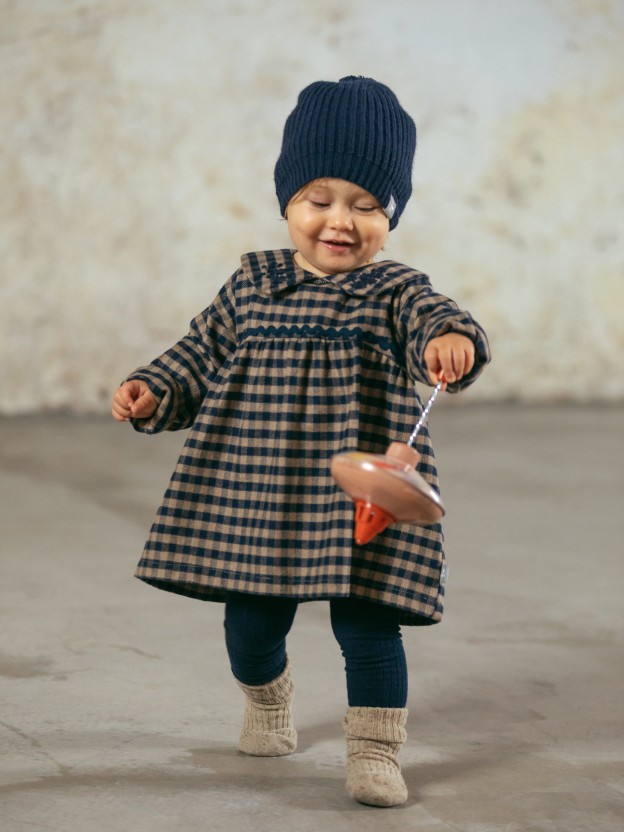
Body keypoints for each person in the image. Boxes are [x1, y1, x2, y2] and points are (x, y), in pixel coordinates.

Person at [112, 76, 490, 807]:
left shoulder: (395, 291)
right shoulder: (252, 283)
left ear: (392, 214)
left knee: (370, 624)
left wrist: (449, 339)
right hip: (259, 488)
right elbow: (199, 352)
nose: (340, 221)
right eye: (318, 199)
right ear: (286, 199)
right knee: (250, 624)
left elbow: (436, 318)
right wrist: (155, 387)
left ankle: (375, 750)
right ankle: (267, 697)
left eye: (367, 204)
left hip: (362, 494)